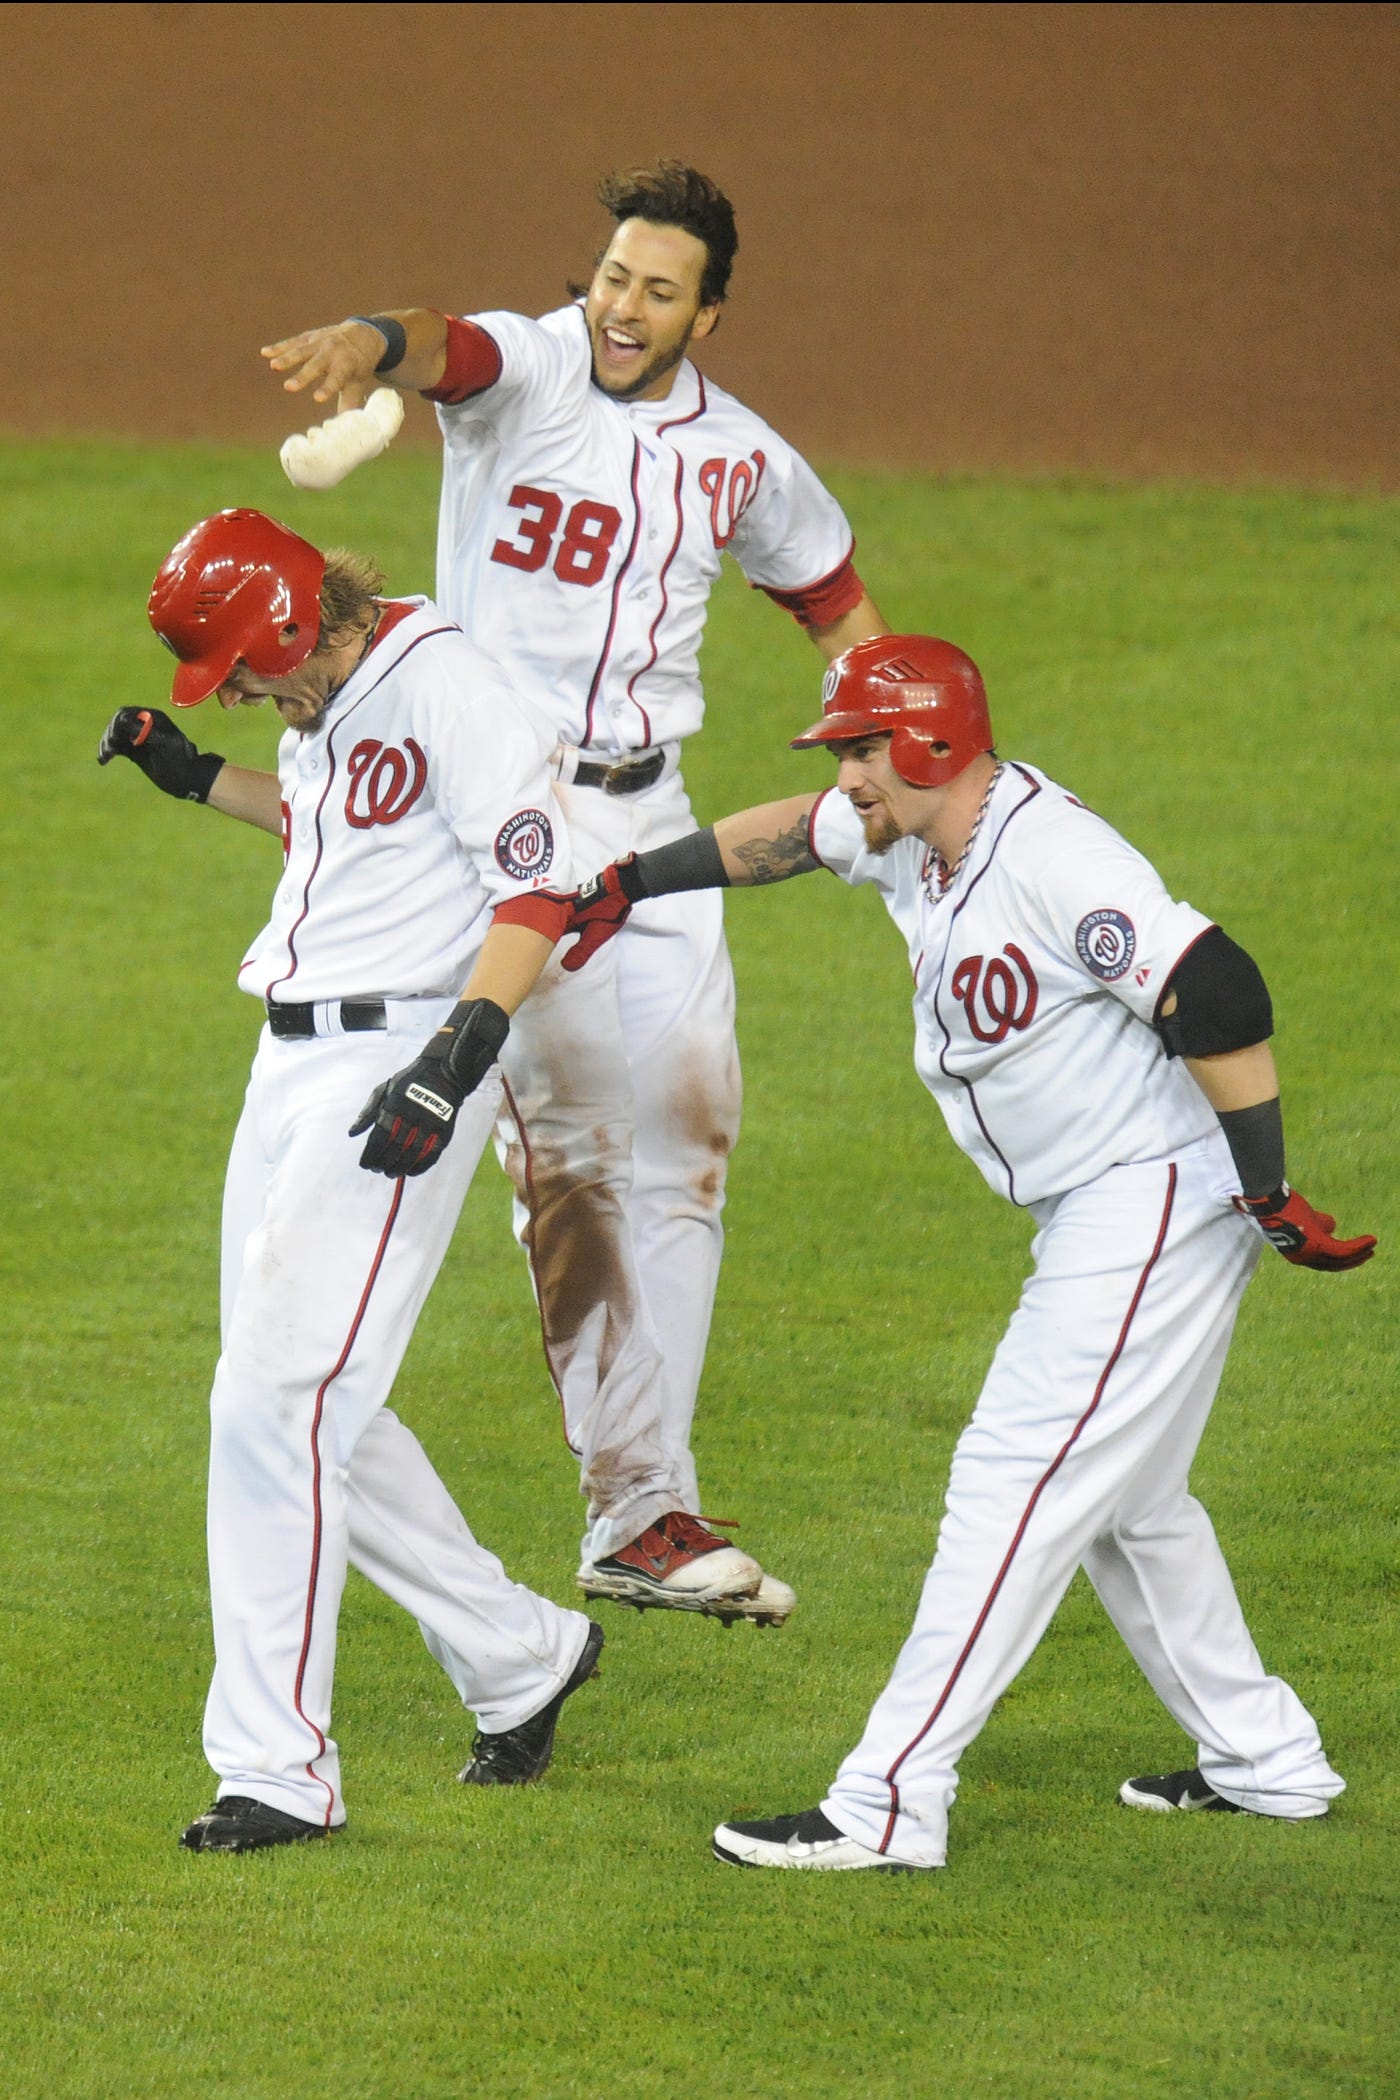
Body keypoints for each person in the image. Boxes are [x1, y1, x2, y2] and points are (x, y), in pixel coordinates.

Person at [546, 633, 1373, 1870]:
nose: (845, 776)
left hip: (1146, 1203)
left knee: (1009, 1486)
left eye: (859, 749)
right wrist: (631, 882)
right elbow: (778, 834)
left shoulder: (1049, 857)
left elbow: (1216, 988)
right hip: (1102, 1206)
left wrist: (1266, 1184)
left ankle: (886, 1804)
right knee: (1130, 1505)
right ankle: (1266, 1761)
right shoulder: (912, 833)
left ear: (928, 741)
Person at [259, 160, 892, 1626]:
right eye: (613, 276)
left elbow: (835, 596)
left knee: (685, 1150)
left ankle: (643, 1512)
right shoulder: (532, 371)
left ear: (706, 316)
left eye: (658, 291)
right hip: (497, 826)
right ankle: (613, 1496)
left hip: (652, 822)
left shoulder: (738, 457)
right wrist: (367, 341)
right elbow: (445, 340)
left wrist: (880, 744)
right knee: (571, 1168)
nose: (623, 306)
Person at [99, 507, 606, 1852]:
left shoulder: (446, 684)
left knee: (273, 1400)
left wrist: (455, 1057)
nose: (244, 692)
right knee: (310, 1391)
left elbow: (539, 888)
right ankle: (520, 1654)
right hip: (288, 1069)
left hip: (397, 1060)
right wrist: (198, 772)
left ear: (284, 625)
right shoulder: (323, 700)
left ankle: (277, 1769)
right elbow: (342, 840)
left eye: (238, 672)